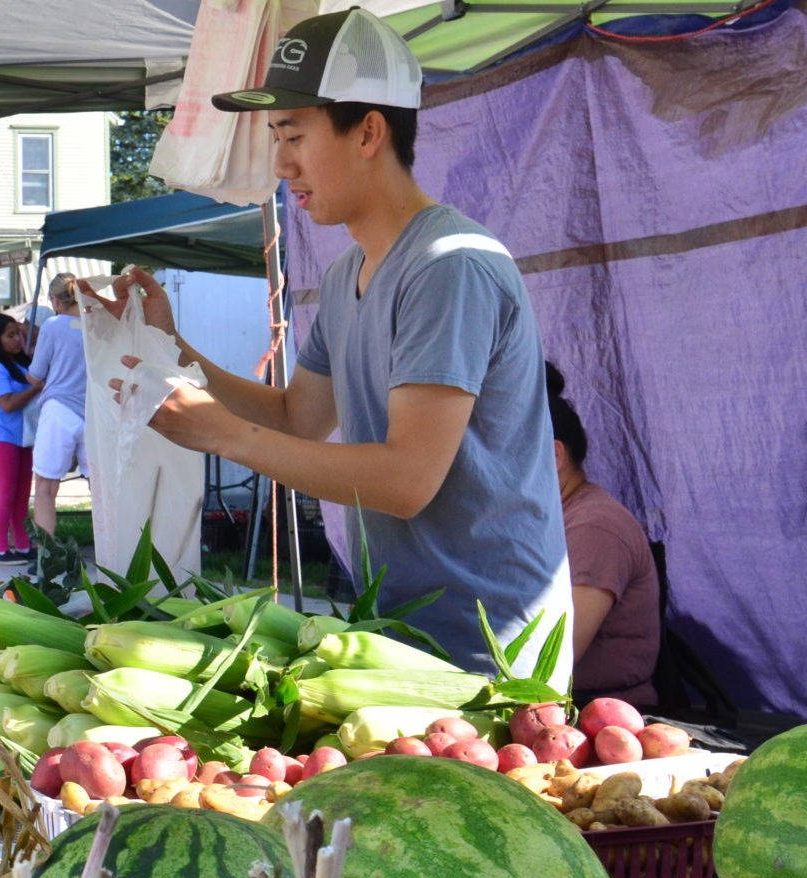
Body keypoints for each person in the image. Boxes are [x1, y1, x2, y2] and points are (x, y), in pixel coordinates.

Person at [86, 8, 572, 677]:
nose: (281, 162)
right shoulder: (350, 274)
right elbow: (299, 418)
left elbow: (407, 480)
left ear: (369, 131)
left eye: (294, 136)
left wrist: (225, 435)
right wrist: (176, 345)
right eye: (275, 138)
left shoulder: (449, 265)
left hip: (488, 646)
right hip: (400, 626)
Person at [547, 365, 659, 705]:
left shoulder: (594, 526)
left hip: (602, 719)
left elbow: (554, 659)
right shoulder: (556, 517)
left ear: (553, 456)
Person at [25, 274, 87, 537]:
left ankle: (46, 560)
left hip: (59, 409)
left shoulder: (52, 326)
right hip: (93, 411)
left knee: (46, 488)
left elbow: (36, 375)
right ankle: (112, 558)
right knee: (102, 489)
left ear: (54, 300)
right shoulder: (96, 326)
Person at [0, 313, 44, 563]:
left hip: (23, 436)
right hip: (0, 436)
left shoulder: (20, 364)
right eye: (11, 335)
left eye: (18, 333)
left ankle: (23, 545)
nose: (18, 339)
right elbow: (6, 404)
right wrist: (35, 390)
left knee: (21, 495)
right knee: (7, 493)